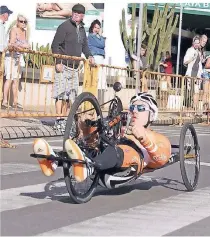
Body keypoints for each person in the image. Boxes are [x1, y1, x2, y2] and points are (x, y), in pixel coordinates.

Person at [33, 92, 172, 183]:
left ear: (152, 115)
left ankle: (88, 167)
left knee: (120, 151)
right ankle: (53, 160)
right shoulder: (122, 126)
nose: (134, 111)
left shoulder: (156, 136)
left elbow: (162, 159)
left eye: (141, 108)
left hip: (134, 158)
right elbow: (95, 139)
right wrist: (87, 127)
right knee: (92, 148)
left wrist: (144, 139)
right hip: (112, 149)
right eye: (132, 108)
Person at [51, 3, 94, 132]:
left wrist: (89, 56)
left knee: (71, 96)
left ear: (82, 16)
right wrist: (58, 61)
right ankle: (58, 120)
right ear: (72, 13)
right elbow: (55, 45)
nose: (76, 15)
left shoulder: (82, 29)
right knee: (60, 94)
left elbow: (85, 46)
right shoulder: (64, 27)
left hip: (75, 68)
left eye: (79, 13)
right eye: (74, 12)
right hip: (63, 65)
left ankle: (67, 121)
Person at [2, 14, 30, 109]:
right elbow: (12, 43)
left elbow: (27, 45)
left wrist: (24, 47)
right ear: (17, 22)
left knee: (16, 80)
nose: (23, 23)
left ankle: (15, 102)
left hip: (18, 58)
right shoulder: (14, 30)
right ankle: (5, 101)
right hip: (11, 57)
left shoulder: (25, 32)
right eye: (21, 21)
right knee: (9, 79)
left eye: (24, 21)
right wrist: (22, 47)